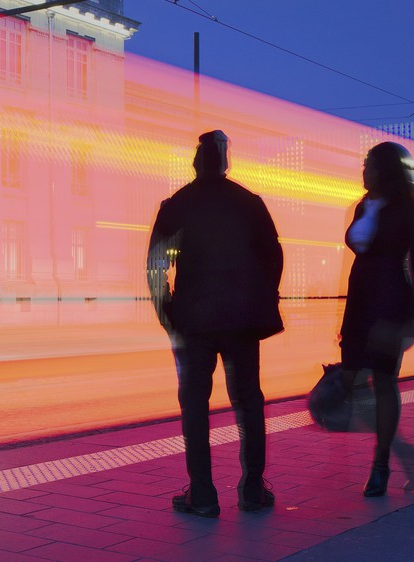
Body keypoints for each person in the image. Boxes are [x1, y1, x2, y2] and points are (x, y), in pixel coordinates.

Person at [146, 130, 284, 518]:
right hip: (241, 320)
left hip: (194, 322)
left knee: (194, 404)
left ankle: (203, 495)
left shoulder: (177, 205)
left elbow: (156, 263)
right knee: (248, 401)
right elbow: (273, 257)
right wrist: (261, 298)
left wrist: (167, 311)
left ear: (196, 162)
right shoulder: (248, 204)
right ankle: (253, 489)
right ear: (225, 162)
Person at [339, 141, 414, 497]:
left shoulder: (410, 207)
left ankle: (381, 464)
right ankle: (404, 452)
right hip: (359, 299)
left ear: (384, 169)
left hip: (390, 300)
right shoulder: (363, 206)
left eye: (368, 164)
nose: (363, 170)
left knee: (383, 381)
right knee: (349, 379)